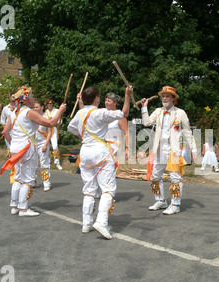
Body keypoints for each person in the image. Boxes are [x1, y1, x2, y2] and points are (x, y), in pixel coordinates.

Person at [67, 85, 133, 239]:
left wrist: (85, 137)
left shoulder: (80, 113)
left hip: (85, 151)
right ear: (96, 98)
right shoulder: (100, 113)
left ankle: (86, 223)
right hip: (100, 151)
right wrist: (127, 95)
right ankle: (101, 222)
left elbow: (71, 128)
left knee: (89, 189)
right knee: (108, 189)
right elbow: (124, 113)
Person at [0, 87, 66, 217]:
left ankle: (14, 205)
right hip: (26, 147)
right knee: (27, 178)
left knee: (18, 177)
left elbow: (5, 131)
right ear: (26, 99)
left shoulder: (14, 113)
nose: (34, 98)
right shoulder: (27, 112)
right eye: (32, 96)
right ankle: (23, 208)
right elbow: (50, 122)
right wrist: (60, 112)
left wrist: (13, 142)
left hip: (15, 147)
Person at [141, 86, 198, 215]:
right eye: (163, 96)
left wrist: (193, 148)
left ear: (173, 98)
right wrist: (144, 107)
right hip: (159, 149)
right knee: (155, 176)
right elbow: (147, 123)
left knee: (175, 177)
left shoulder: (180, 113)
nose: (165, 98)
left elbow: (187, 131)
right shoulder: (158, 111)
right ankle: (160, 200)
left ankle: (175, 204)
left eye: (167, 96)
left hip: (173, 150)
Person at [34, 100, 53, 192]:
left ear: (42, 107)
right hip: (34, 143)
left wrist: (46, 144)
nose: (35, 109)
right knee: (33, 163)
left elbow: (49, 133)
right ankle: (33, 181)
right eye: (34, 107)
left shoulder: (47, 118)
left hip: (43, 142)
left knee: (44, 163)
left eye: (37, 107)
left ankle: (46, 182)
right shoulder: (33, 117)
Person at [104, 92, 130, 161]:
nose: (106, 103)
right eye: (105, 100)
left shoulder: (119, 116)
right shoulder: (103, 113)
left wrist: (127, 149)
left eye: (109, 101)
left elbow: (126, 133)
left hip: (114, 148)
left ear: (115, 103)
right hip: (103, 147)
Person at [44, 98, 63, 170]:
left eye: (51, 103)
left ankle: (57, 162)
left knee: (55, 146)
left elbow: (60, 121)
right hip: (46, 130)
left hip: (54, 129)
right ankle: (47, 161)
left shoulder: (57, 111)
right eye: (48, 103)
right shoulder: (45, 112)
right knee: (47, 146)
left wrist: (54, 122)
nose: (49, 105)